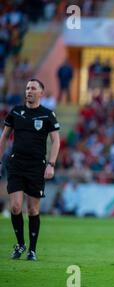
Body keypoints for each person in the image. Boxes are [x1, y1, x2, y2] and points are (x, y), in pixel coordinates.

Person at [0, 79, 61, 261]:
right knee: (16, 206)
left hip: (36, 166)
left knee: (33, 210)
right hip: (16, 164)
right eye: (27, 88)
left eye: (33, 88)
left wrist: (51, 164)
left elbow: (56, 141)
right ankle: (20, 244)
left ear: (41, 93)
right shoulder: (16, 112)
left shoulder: (47, 115)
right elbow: (4, 138)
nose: (29, 91)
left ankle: (32, 250)